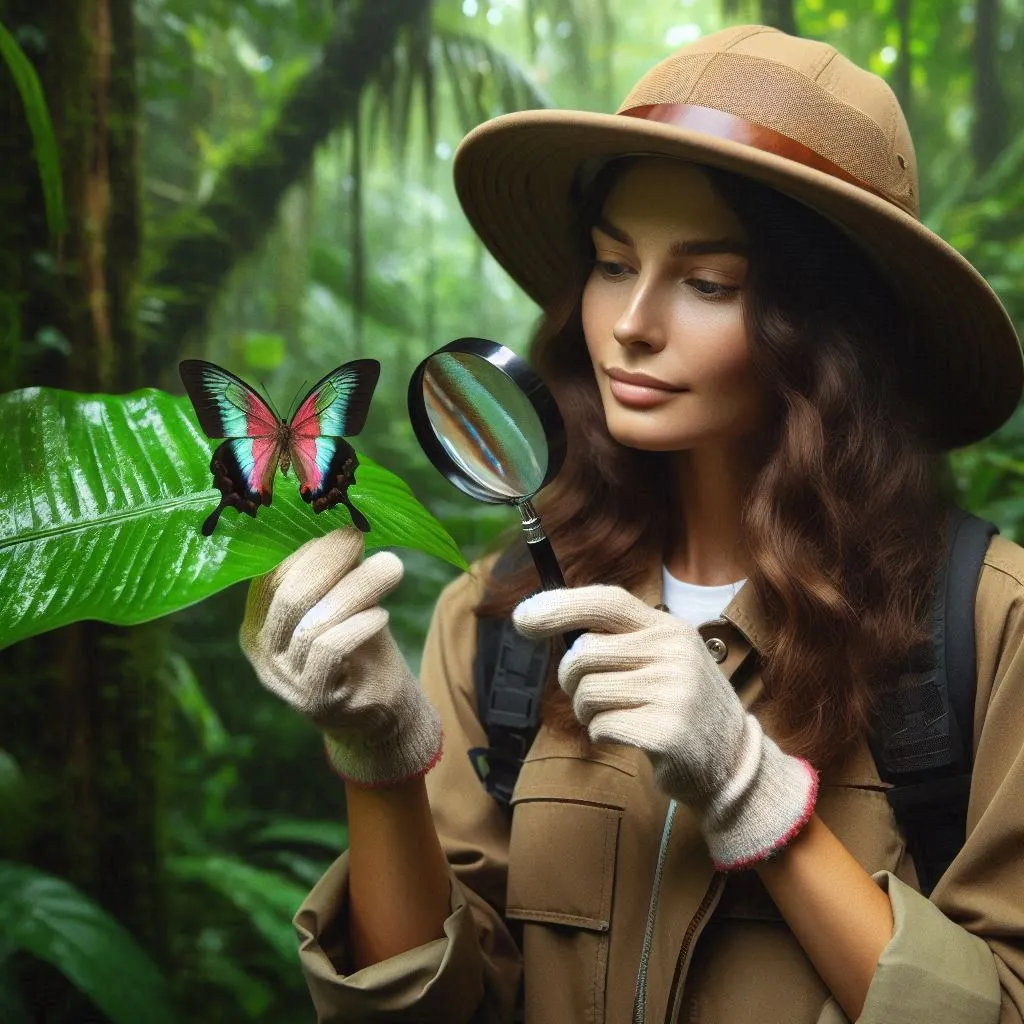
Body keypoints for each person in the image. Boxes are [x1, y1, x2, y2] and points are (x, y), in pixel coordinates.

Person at [238, 24, 1024, 1024]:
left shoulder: (986, 631)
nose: (631, 323)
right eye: (613, 265)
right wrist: (382, 758)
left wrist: (751, 794)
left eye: (706, 283)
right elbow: (431, 1008)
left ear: (828, 334)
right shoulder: (502, 620)